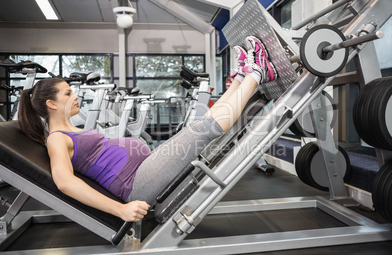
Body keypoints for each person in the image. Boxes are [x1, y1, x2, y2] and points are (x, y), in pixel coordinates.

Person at [18, 36, 277, 223]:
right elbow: (65, 183)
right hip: (136, 185)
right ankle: (256, 74)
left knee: (200, 124)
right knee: (203, 130)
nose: (75, 97)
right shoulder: (56, 139)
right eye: (67, 93)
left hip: (143, 168)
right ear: (51, 104)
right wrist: (120, 210)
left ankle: (242, 78)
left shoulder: (72, 128)